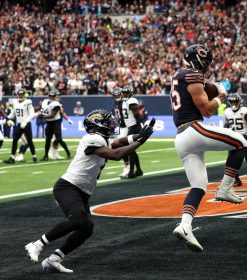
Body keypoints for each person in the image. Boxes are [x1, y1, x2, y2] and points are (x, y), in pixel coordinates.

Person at [24, 110, 155, 273]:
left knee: (87, 228)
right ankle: (37, 244)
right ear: (98, 125)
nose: (112, 124)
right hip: (68, 187)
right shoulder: (92, 139)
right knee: (78, 220)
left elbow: (120, 141)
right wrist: (141, 141)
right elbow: (115, 154)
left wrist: (138, 135)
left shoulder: (102, 139)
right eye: (108, 122)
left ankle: (54, 259)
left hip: (82, 191)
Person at [170, 45, 247, 252]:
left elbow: (202, 98)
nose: (207, 67)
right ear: (199, 60)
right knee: (241, 142)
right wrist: (221, 96)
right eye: (206, 63)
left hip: (181, 137)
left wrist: (211, 87)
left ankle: (185, 226)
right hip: (193, 129)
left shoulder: (179, 75)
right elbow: (206, 111)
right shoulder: (192, 74)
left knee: (198, 187)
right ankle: (225, 188)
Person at [224, 94, 247, 187]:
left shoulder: (244, 111)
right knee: (231, 160)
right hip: (233, 137)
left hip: (244, 137)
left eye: (235, 102)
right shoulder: (227, 112)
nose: (233, 104)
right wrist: (225, 129)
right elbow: (227, 124)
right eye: (232, 102)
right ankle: (237, 180)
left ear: (239, 102)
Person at [4, 89, 38, 164]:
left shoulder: (28, 102)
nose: (20, 95)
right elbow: (13, 113)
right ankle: (12, 158)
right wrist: (7, 119)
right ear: (17, 94)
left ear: (24, 94)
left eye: (22, 94)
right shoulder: (15, 102)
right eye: (19, 94)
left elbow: (32, 114)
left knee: (29, 141)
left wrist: (25, 122)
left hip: (26, 124)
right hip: (19, 124)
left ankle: (34, 157)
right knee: (15, 140)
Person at [40, 91, 72, 161]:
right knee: (48, 140)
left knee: (59, 139)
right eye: (50, 96)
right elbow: (43, 110)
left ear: (54, 97)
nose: (51, 98)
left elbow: (52, 115)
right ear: (48, 96)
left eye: (52, 96)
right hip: (49, 123)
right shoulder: (45, 101)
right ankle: (45, 156)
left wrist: (42, 117)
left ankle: (68, 153)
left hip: (56, 123)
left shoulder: (57, 104)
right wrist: (41, 113)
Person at [121, 86, 144, 179]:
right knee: (131, 149)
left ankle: (131, 172)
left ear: (130, 94)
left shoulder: (132, 100)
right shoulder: (125, 102)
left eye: (127, 93)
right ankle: (138, 170)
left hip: (135, 126)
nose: (125, 94)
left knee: (129, 149)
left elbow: (137, 114)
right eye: (124, 93)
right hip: (131, 126)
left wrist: (138, 127)